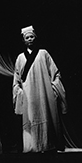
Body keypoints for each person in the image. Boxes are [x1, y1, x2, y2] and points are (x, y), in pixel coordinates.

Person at [12, 25, 67, 153]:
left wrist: (53, 90)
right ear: (24, 40)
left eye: (32, 37)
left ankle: (47, 145)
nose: (30, 39)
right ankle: (32, 146)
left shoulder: (43, 53)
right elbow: (16, 78)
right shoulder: (20, 58)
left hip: (44, 92)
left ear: (35, 38)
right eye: (27, 37)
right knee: (31, 117)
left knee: (45, 114)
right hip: (28, 94)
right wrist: (19, 92)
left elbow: (55, 73)